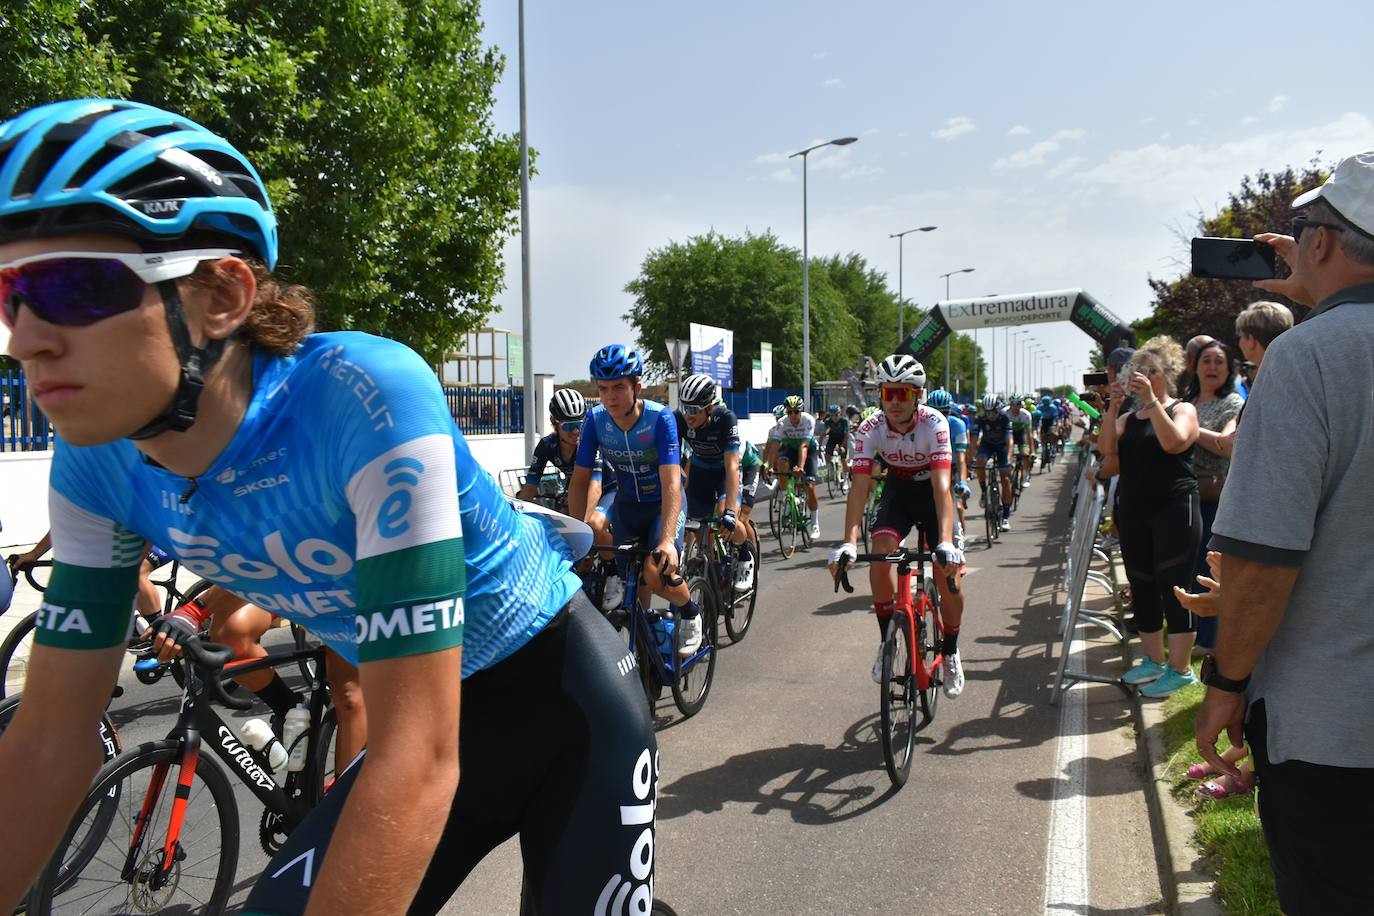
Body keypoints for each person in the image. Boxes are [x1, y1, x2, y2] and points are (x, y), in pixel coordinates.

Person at [0, 98, 655, 915]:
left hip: (562, 705)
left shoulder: (363, 398)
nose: (26, 337)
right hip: (426, 730)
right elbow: (47, 743)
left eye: (72, 285)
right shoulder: (91, 458)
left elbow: (415, 755)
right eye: (9, 294)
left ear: (220, 295)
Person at [1191, 151, 1374, 914]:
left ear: (1326, 243)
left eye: (1303, 232)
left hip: (1335, 732)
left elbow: (1264, 563)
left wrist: (1226, 682)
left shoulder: (1307, 358)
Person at [829, 356, 966, 695]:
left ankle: (949, 649)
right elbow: (860, 486)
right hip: (899, 495)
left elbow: (942, 487)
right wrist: (848, 542)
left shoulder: (935, 424)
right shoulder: (870, 428)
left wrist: (946, 541)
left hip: (933, 497)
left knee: (948, 575)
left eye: (902, 394)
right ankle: (886, 642)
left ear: (917, 396)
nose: (893, 401)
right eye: (888, 393)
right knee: (881, 554)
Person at [569, 344, 702, 655]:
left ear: (637, 387)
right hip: (629, 506)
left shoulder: (660, 419)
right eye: (603, 388)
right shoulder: (595, 420)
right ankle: (644, 658)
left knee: (656, 572)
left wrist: (667, 539)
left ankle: (691, 612)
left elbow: (671, 481)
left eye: (618, 387)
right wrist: (577, 536)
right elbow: (579, 481)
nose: (610, 396)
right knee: (632, 591)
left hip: (662, 505)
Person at [1096, 336, 1201, 698]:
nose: (1142, 375)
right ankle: (1154, 661)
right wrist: (1112, 409)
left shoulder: (1182, 409)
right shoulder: (1129, 417)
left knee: (1176, 586)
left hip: (1174, 508)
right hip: (1136, 509)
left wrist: (1154, 402)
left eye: (1151, 370)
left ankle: (1182, 668)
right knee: (1141, 585)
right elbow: (1107, 449)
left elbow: (1175, 443)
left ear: (1167, 374)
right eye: (1138, 370)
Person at [1184, 340, 1243, 655]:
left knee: (1208, 567)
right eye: (1206, 361)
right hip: (1180, 495)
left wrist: (1188, 429)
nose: (1212, 368)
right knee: (1186, 565)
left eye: (1219, 361)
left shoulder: (1233, 403)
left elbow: (1228, 443)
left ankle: (1208, 639)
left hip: (1213, 497)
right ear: (1194, 366)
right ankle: (1188, 629)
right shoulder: (1186, 401)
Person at [673, 373, 753, 581]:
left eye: (694, 410)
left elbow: (733, 466)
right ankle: (710, 567)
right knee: (696, 523)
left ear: (709, 408)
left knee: (726, 518)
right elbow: (672, 461)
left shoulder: (725, 418)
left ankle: (745, 553)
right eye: (684, 408)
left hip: (723, 473)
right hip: (700, 472)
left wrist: (729, 511)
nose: (687, 415)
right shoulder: (679, 419)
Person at [767, 394, 821, 539]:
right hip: (791, 448)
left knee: (809, 487)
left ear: (801, 411)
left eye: (795, 411)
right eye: (789, 412)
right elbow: (775, 445)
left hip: (809, 450)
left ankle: (815, 523)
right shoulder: (783, 423)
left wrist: (800, 467)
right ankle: (788, 499)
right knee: (782, 463)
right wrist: (770, 466)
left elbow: (804, 446)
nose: (792, 415)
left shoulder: (808, 420)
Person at [926, 388, 970, 548]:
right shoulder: (920, 424)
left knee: (955, 508)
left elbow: (960, 458)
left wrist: (963, 482)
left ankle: (959, 549)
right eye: (934, 412)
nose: (939, 417)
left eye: (943, 413)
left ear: (950, 411)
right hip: (929, 466)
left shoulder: (957, 425)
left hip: (951, 466)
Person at [971, 394, 1013, 531]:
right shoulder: (980, 419)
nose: (990, 415)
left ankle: (1006, 516)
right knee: (980, 461)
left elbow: (1009, 441)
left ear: (998, 409)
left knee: (1005, 479)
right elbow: (973, 441)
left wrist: (1009, 458)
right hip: (987, 445)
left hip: (1002, 447)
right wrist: (972, 458)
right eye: (987, 412)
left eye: (993, 412)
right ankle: (984, 492)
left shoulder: (1005, 418)